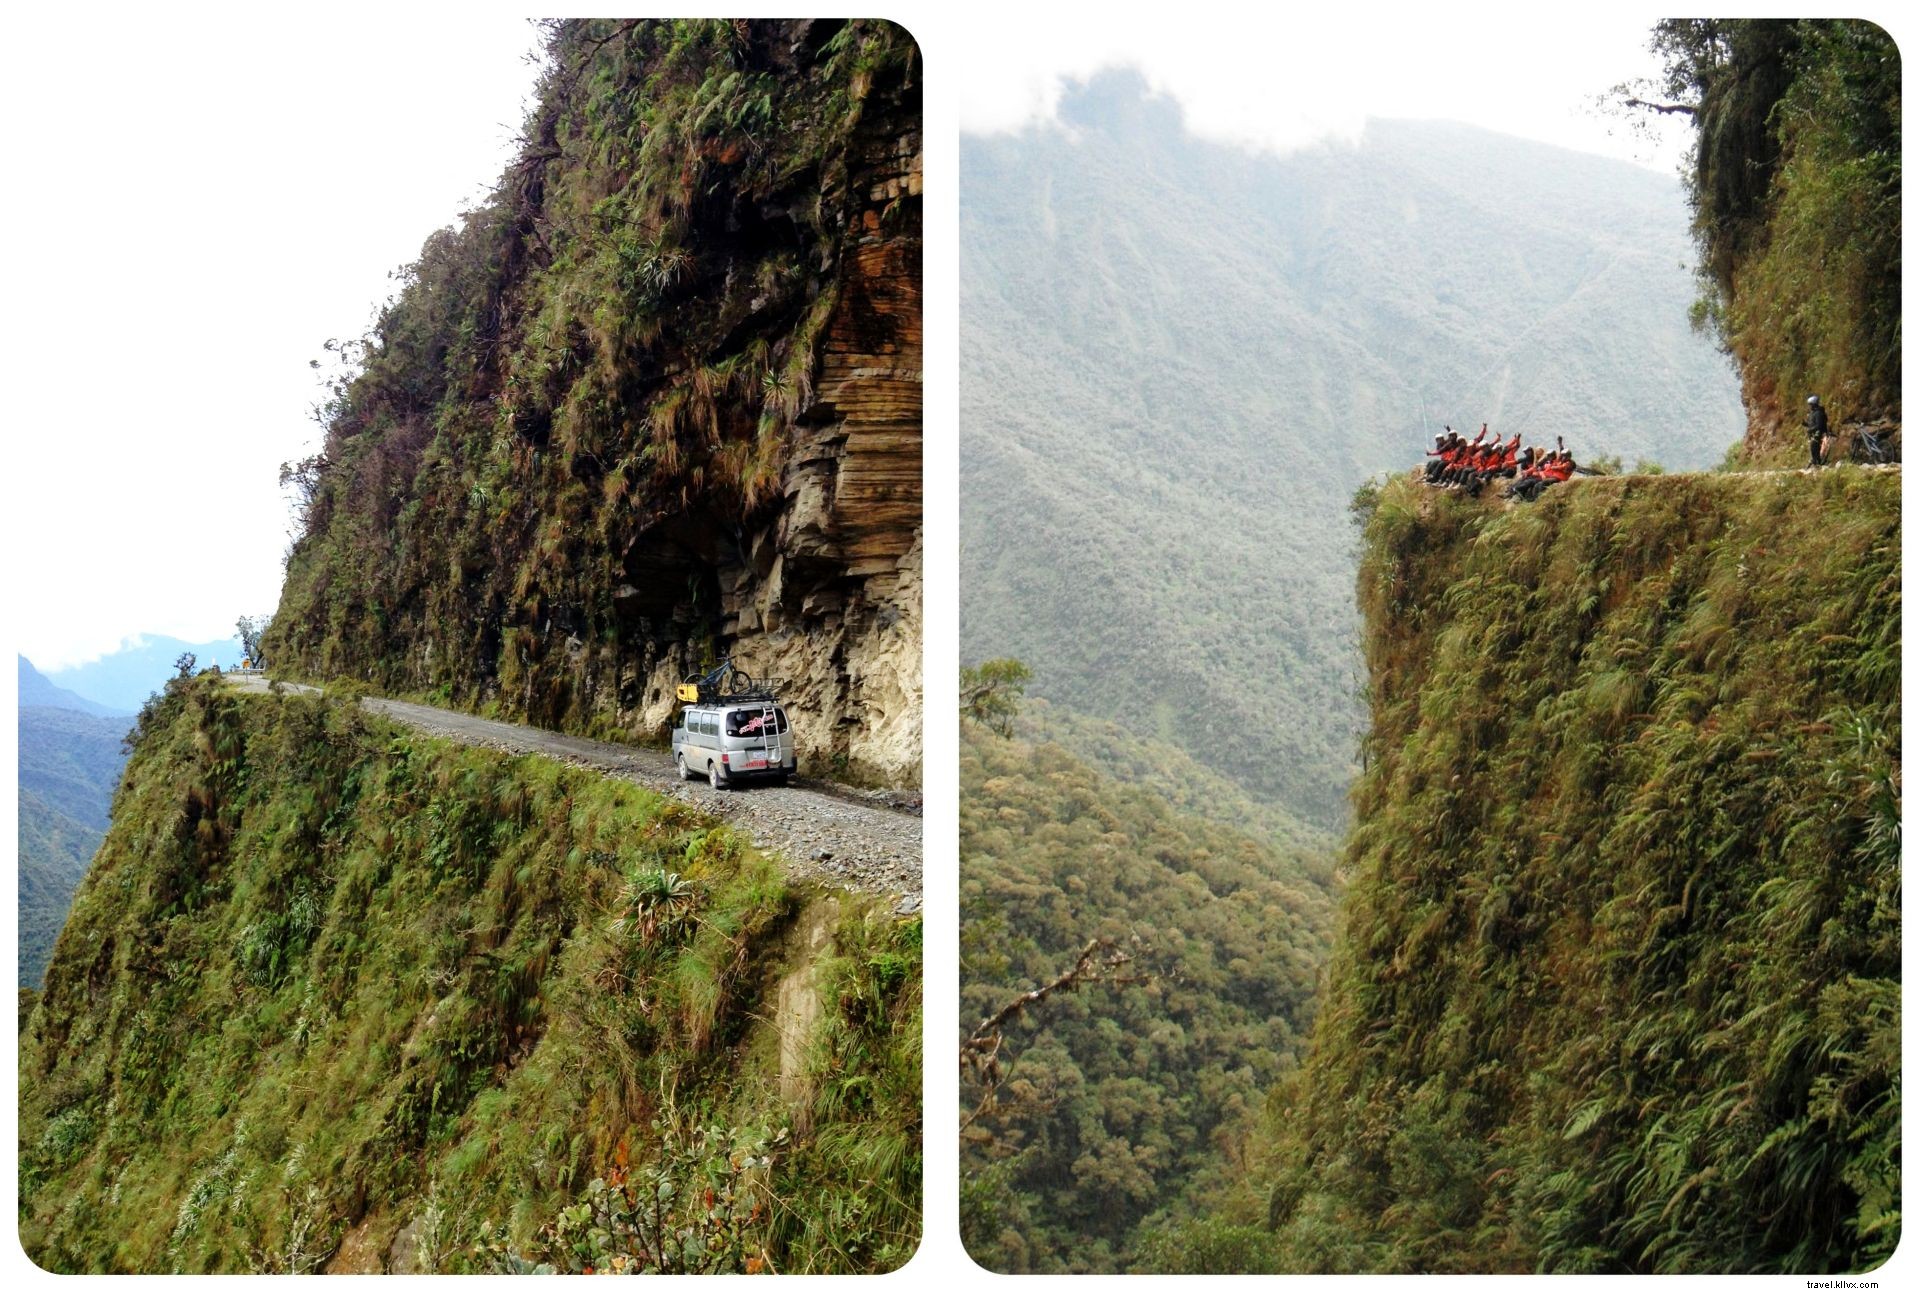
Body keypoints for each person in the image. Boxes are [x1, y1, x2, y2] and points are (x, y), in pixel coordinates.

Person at [1806, 395, 1830, 467]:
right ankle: (1816, 463)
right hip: (1814, 435)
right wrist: (1806, 424)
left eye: (1810, 405)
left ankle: (1817, 464)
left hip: (1818, 435)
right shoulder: (1813, 413)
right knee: (1813, 449)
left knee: (1815, 449)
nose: (1809, 406)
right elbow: (1812, 424)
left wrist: (1810, 430)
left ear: (1813, 404)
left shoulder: (1819, 413)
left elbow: (1819, 425)